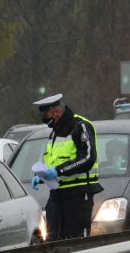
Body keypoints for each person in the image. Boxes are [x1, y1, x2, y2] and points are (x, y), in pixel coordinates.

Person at [31, 93, 103, 240]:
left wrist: (58, 171)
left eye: (46, 116)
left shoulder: (80, 126)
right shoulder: (54, 134)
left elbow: (88, 158)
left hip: (78, 194)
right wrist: (42, 176)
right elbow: (52, 162)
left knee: (76, 241)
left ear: (56, 112)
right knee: (52, 239)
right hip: (57, 195)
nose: (45, 120)